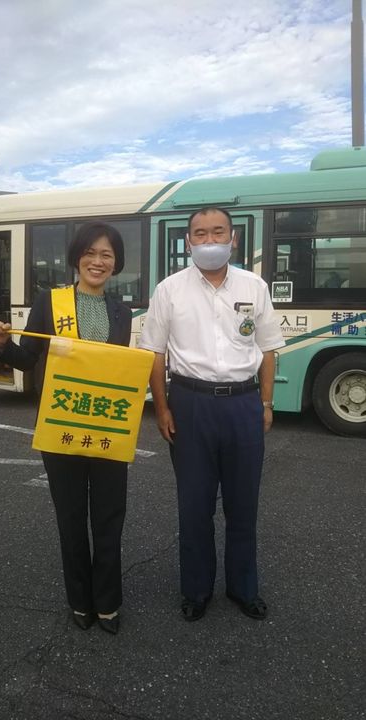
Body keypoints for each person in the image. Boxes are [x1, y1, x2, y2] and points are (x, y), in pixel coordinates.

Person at [0, 221, 132, 635]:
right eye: (90, 252)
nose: (97, 261)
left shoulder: (122, 312)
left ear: (115, 263)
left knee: (108, 517)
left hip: (106, 430)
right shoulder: (50, 302)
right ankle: (79, 600)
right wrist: (1, 346)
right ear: (76, 257)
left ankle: (107, 601)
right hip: (61, 425)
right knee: (70, 517)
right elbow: (28, 359)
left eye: (107, 254)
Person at [139, 207, 285, 622]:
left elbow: (269, 349)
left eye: (217, 232)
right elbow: (155, 353)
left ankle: (243, 588)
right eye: (200, 234)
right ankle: (196, 590)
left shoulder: (254, 286)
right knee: (194, 505)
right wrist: (163, 407)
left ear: (233, 238)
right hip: (190, 403)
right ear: (188, 242)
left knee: (243, 504)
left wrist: (266, 403)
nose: (209, 240)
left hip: (243, 403)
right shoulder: (169, 290)